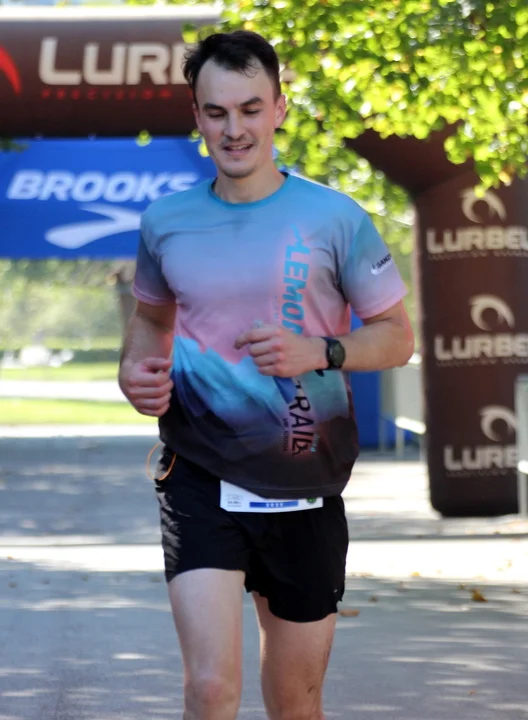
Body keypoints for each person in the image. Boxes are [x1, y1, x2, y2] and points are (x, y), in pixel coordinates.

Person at [119, 30, 414, 720]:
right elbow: (151, 320)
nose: (235, 129)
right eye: (217, 112)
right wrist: (135, 370)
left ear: (279, 108)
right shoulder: (165, 222)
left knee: (295, 702)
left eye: (251, 109)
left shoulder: (336, 218)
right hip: (198, 473)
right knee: (210, 689)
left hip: (304, 478)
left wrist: (321, 351)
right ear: (196, 117)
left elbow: (397, 338)